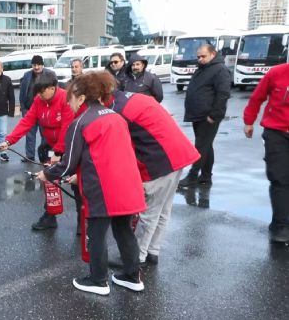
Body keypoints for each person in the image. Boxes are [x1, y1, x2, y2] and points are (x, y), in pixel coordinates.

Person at [38, 71, 146, 296]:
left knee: (96, 233)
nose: (70, 104)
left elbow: (67, 164)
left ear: (80, 96)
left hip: (103, 188)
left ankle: (98, 281)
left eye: (70, 99)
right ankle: (132, 276)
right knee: (123, 230)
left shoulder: (80, 122)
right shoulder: (116, 116)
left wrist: (47, 174)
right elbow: (107, 153)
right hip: (128, 184)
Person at [110, 90, 200, 264]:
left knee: (149, 213)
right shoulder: (135, 98)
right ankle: (152, 250)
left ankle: (136, 256)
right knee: (163, 209)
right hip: (177, 154)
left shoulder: (118, 111)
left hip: (160, 160)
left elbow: (119, 147)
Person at [0, 74, 74, 230]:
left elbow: (67, 128)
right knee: (49, 180)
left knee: (77, 184)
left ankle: (83, 221)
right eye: (37, 92)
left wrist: (59, 152)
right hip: (50, 146)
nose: (39, 95)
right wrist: (9, 140)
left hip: (70, 145)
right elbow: (27, 121)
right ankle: (50, 216)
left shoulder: (65, 98)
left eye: (42, 92)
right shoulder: (39, 101)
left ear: (53, 88)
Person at [243, 62, 289, 244]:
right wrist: (249, 121)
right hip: (277, 133)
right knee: (280, 178)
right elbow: (257, 97)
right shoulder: (277, 73)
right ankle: (281, 225)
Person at [178, 44, 231, 187]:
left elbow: (223, 94)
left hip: (208, 116)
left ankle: (193, 176)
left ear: (213, 54)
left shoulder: (220, 70)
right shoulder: (203, 68)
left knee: (201, 146)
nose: (200, 59)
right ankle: (206, 177)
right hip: (198, 114)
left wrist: (214, 115)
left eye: (203, 56)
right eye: (198, 57)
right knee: (206, 146)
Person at [19, 55, 56, 162]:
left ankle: (46, 157)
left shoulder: (50, 74)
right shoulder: (27, 75)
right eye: (34, 65)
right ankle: (29, 156)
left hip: (45, 111)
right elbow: (22, 93)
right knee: (30, 135)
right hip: (30, 110)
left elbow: (56, 92)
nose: (36, 67)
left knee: (46, 135)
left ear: (42, 65)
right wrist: (23, 108)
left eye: (39, 65)